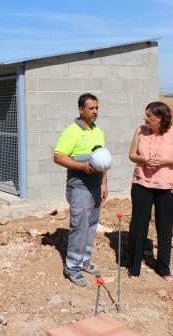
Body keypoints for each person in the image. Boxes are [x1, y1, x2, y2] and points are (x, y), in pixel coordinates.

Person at [127, 101, 173, 282]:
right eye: (146, 114)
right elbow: (132, 155)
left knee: (164, 227)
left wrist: (165, 161)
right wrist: (143, 159)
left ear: (160, 119)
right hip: (141, 184)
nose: (145, 118)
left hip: (167, 187)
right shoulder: (140, 130)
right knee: (138, 225)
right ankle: (134, 267)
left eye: (149, 116)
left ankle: (163, 267)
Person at [53, 93, 108, 287]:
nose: (95, 112)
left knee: (92, 224)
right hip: (79, 187)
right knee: (79, 226)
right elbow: (58, 157)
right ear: (80, 109)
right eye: (91, 108)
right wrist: (82, 167)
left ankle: (84, 260)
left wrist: (104, 183)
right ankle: (72, 268)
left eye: (97, 108)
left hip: (95, 186)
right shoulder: (72, 131)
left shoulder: (97, 130)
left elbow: (102, 161)